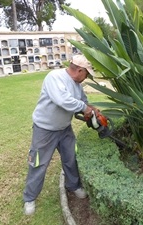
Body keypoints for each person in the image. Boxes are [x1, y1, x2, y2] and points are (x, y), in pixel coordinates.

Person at [23, 54, 98, 215]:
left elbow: (83, 101)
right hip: (45, 130)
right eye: (87, 74)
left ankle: (73, 186)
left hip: (64, 129)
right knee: (39, 164)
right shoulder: (54, 77)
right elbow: (63, 100)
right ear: (79, 70)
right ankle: (29, 198)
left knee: (71, 158)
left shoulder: (77, 85)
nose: (86, 78)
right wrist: (84, 108)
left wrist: (91, 109)